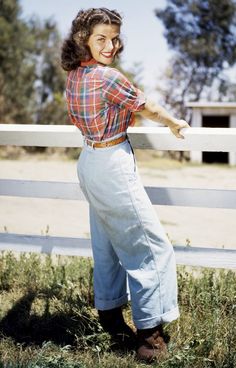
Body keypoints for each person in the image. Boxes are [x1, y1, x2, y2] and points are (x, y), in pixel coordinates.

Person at [61, 7, 190, 362]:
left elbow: (78, 118)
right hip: (112, 163)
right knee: (149, 247)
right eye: (101, 38)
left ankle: (111, 319)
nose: (111, 45)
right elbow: (145, 106)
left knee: (107, 243)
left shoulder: (74, 75)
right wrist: (173, 122)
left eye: (115, 38)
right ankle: (150, 338)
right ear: (83, 39)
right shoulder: (107, 77)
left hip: (89, 160)